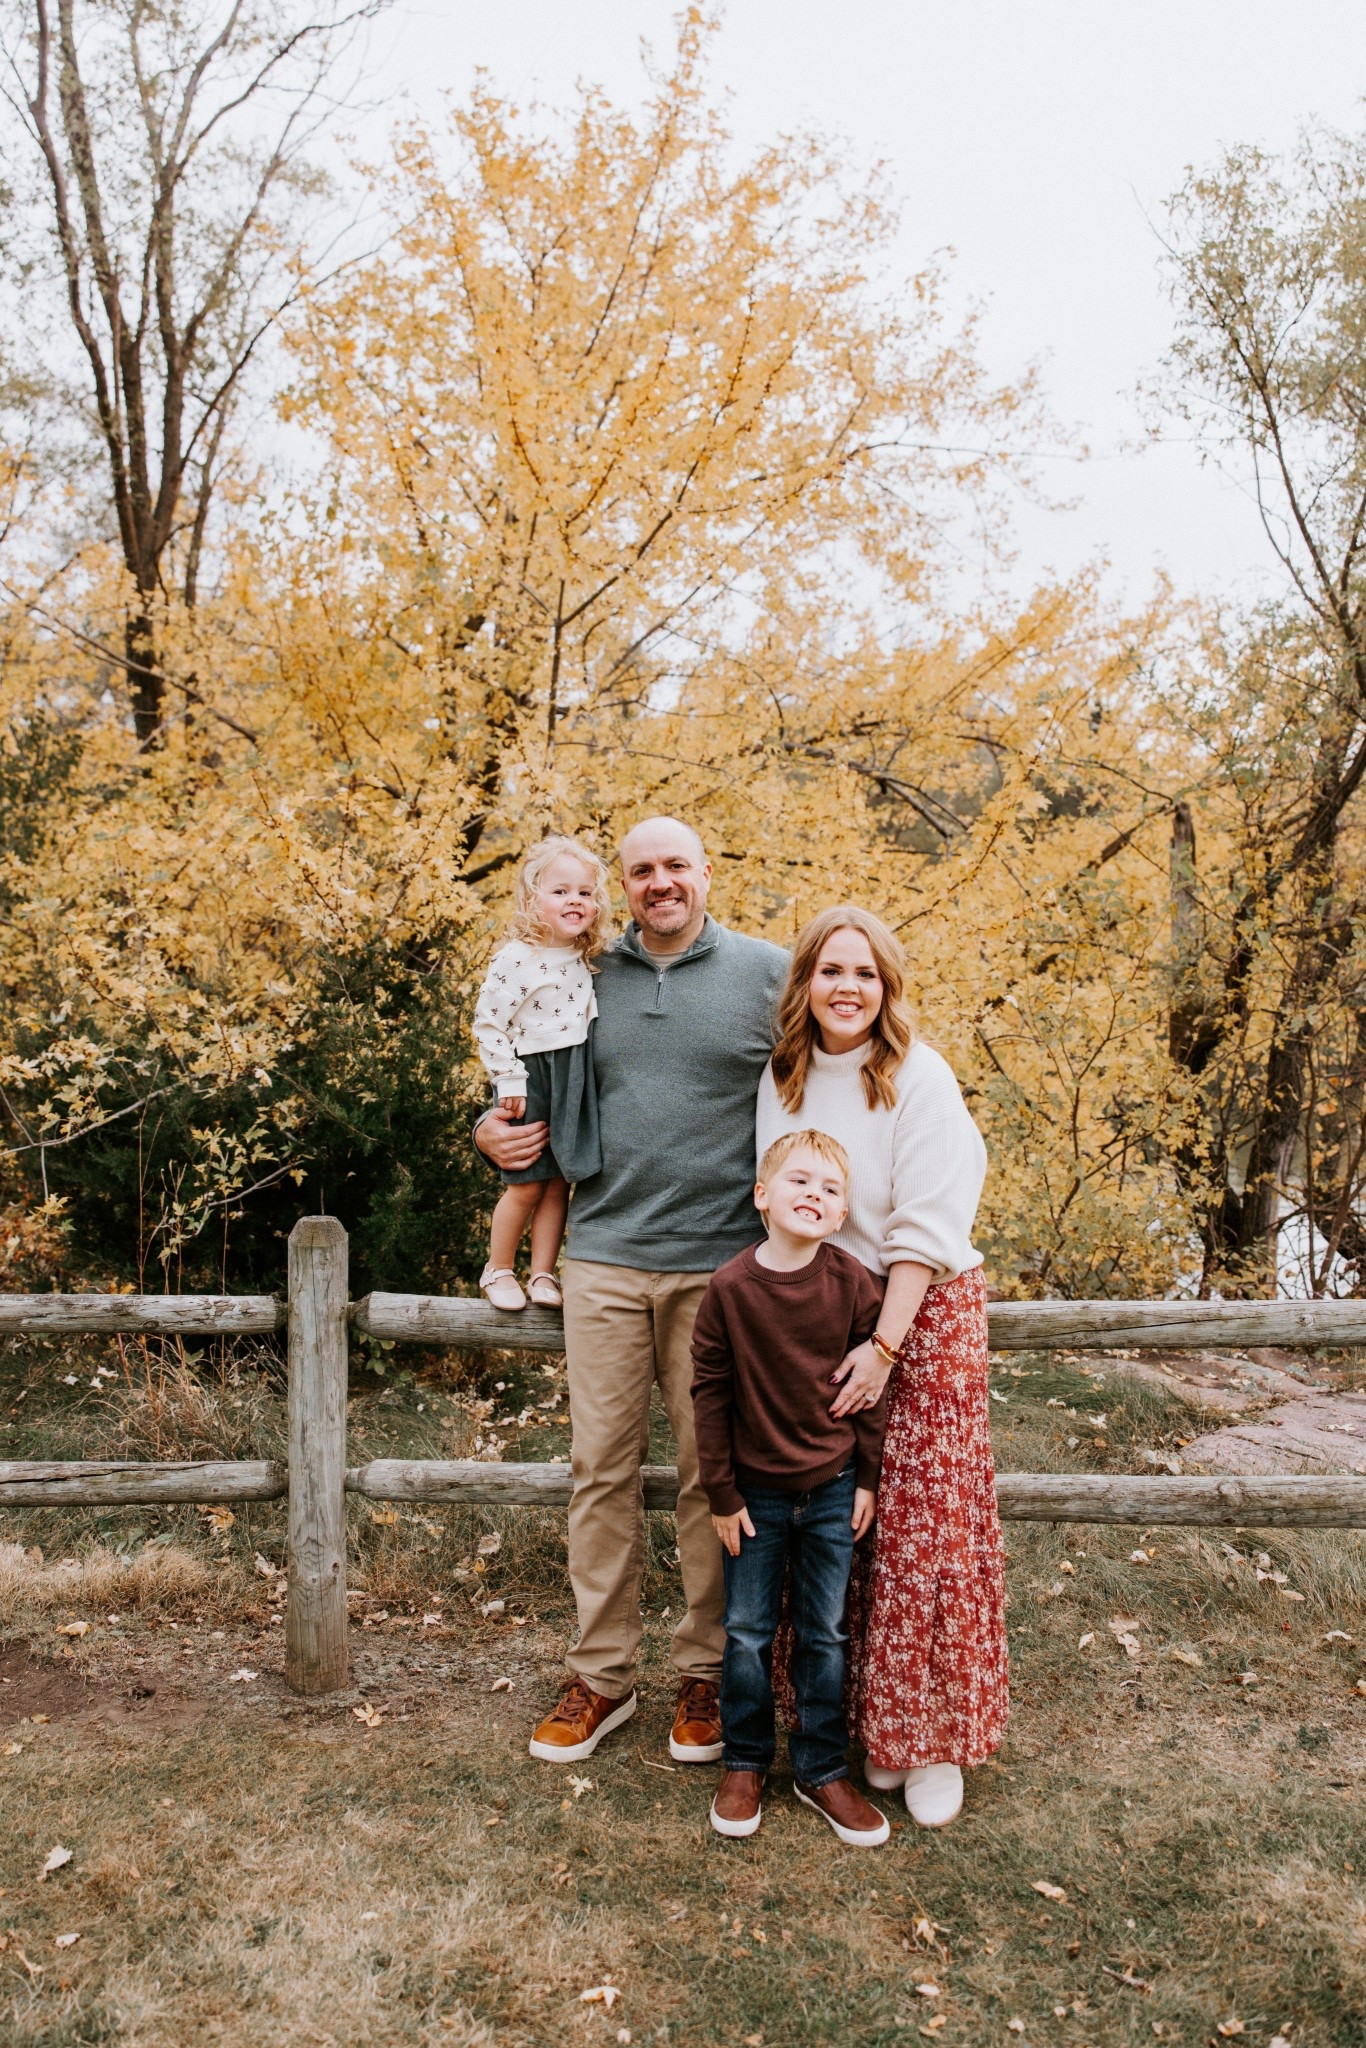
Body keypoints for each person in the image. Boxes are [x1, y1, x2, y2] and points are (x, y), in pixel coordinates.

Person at [474, 817, 788, 1765]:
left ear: (706, 872)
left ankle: (706, 1676)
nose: (661, 883)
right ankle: (602, 1678)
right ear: (623, 885)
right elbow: (522, 1073)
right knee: (600, 1474)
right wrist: (488, 1129)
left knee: (710, 1479)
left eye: (676, 866)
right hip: (603, 1259)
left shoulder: (769, 974)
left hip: (723, 1269)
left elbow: (846, 1073)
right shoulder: (581, 972)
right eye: (642, 870)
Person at [755, 904, 1005, 1829]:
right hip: (823, 1303)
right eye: (829, 971)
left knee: (924, 1530)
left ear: (887, 987)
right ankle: (864, 1725)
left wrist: (886, 1346)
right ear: (805, 983)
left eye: (865, 973)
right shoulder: (781, 1079)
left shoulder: (919, 1076)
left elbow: (925, 1228)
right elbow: (780, 1194)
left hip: (923, 1311)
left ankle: (933, 1739)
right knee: (836, 1520)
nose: (847, 988)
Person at [690, 1128, 892, 1847]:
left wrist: (866, 1479)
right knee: (745, 1634)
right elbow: (708, 1394)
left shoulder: (854, 1286)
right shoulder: (729, 1290)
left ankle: (821, 1767)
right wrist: (721, 1492)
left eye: (831, 1189)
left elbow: (871, 1396)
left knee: (825, 1633)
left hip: (834, 1488)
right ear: (762, 1196)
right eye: (800, 1181)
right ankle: (744, 1760)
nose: (815, 1194)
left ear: (841, 1217)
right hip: (754, 1498)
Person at [472, 836, 611, 1312]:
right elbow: (489, 1022)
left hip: (572, 1071)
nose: (575, 900)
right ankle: (498, 1268)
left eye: (585, 892)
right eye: (560, 891)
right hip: (531, 1073)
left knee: (558, 1181)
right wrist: (508, 1079)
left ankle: (543, 1274)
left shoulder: (588, 956)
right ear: (533, 899)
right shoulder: (517, 957)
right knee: (528, 1180)